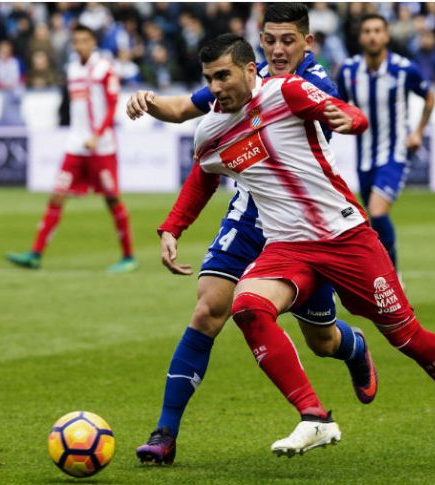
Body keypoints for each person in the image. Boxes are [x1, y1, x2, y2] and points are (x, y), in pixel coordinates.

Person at [182, 33, 435, 467]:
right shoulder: (210, 130)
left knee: (408, 338)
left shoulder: (287, 90)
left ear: (248, 70)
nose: (217, 87)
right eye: (209, 79)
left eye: (223, 76)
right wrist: (172, 227)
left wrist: (349, 120)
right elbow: (204, 175)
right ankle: (314, 416)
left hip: (345, 237)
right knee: (247, 307)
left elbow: (347, 115)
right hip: (288, 247)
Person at [127, 4, 378, 465]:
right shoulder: (243, 75)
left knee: (320, 341)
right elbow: (189, 115)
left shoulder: (313, 85)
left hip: (304, 225)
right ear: (257, 44)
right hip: (250, 215)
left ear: (306, 41)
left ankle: (353, 346)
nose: (278, 49)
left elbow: (317, 118)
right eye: (270, 40)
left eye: (288, 40)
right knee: (208, 309)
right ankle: (165, 432)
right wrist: (148, 100)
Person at [6, 25, 136, 273]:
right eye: (76, 41)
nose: (79, 45)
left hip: (101, 147)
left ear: (93, 41)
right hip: (75, 145)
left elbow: (111, 106)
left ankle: (129, 256)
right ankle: (35, 254)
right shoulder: (72, 67)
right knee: (57, 195)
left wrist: (97, 135)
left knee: (111, 199)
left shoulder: (104, 69)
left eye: (84, 40)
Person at [336, 13, 435, 273]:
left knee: (377, 212)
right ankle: (380, 274)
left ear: (387, 36)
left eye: (377, 30)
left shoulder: (404, 69)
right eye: (367, 31)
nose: (372, 36)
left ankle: (393, 275)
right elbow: (339, 105)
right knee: (372, 221)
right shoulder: (348, 71)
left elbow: (430, 97)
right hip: (364, 157)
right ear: (360, 37)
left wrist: (418, 132)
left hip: (395, 153)